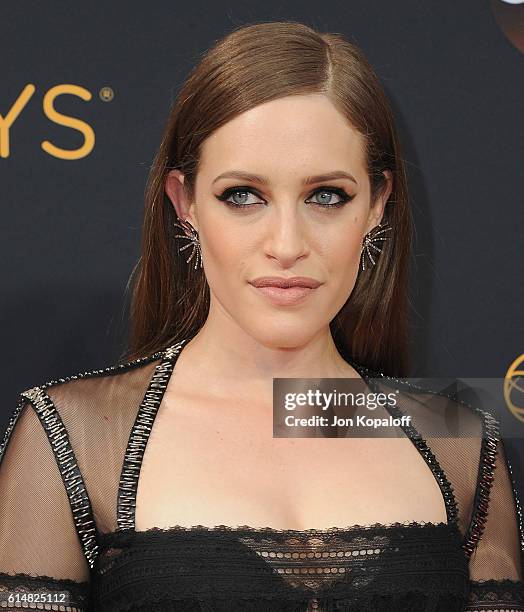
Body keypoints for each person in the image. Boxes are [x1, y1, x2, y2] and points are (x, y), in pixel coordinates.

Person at [0, 20, 522, 612]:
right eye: (243, 195)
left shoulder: (455, 435)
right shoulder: (77, 435)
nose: (286, 243)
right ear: (185, 204)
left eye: (326, 195)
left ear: (377, 205)